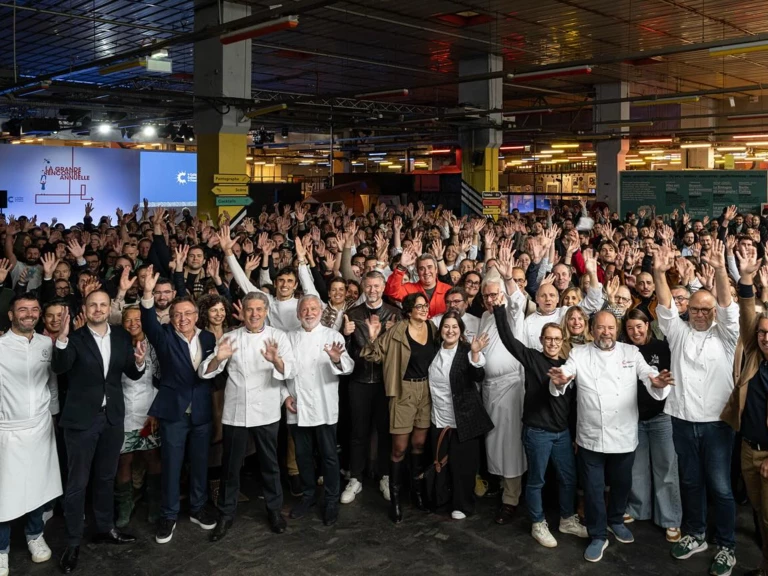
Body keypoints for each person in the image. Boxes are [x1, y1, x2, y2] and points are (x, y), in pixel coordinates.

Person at [549, 310, 675, 563]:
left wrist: (657, 383)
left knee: (622, 483)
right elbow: (567, 373)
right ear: (592, 329)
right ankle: (597, 534)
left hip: (624, 432)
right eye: (600, 327)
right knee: (594, 489)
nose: (606, 332)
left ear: (616, 330)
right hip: (591, 435)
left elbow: (647, 373)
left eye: (610, 328)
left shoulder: (630, 353)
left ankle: (616, 519)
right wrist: (561, 380)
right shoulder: (579, 353)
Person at [652, 240, 740, 576]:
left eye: (707, 309)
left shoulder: (727, 334)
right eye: (695, 309)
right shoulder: (678, 331)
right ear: (688, 310)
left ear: (714, 311)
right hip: (682, 420)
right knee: (690, 482)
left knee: (720, 486)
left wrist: (719, 269)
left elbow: (730, 307)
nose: (700, 314)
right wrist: (660, 272)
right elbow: (664, 306)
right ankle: (696, 534)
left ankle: (727, 546)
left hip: (717, 424)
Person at [52, 291, 147, 574]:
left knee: (106, 477)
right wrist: (62, 339)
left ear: (109, 309)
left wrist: (140, 361)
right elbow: (60, 366)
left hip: (112, 419)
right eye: (92, 304)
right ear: (85, 308)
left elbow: (131, 372)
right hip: (82, 421)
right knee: (77, 483)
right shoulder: (75, 339)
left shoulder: (119, 337)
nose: (98, 308)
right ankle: (72, 542)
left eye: (103, 304)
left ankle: (104, 528)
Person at [492, 298, 588, 548]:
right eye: (549, 339)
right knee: (536, 480)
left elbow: (575, 403)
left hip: (563, 434)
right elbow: (508, 340)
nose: (553, 343)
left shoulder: (570, 364)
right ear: (542, 341)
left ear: (562, 341)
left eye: (557, 339)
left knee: (568, 478)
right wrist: (499, 309)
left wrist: (576, 434)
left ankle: (567, 519)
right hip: (537, 432)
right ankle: (537, 523)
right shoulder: (533, 358)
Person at [199, 292, 295, 540]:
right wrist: (218, 358)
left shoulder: (278, 337)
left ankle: (274, 511)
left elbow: (290, 371)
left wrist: (277, 361)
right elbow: (205, 372)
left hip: (267, 411)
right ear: (242, 312)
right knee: (230, 468)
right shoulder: (231, 337)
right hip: (236, 412)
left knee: (270, 465)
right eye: (249, 309)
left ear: (265, 311)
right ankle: (226, 514)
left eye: (259, 309)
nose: (254, 314)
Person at [140, 267, 219, 545]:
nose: (182, 319)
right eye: (177, 315)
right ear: (170, 318)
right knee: (171, 465)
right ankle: (169, 514)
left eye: (188, 314)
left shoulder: (208, 339)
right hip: (173, 411)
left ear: (197, 316)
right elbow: (148, 323)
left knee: (199, 464)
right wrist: (148, 293)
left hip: (201, 412)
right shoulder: (163, 336)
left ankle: (198, 508)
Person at [361, 292, 439, 523]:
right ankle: (395, 501)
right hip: (403, 391)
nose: (424, 309)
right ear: (408, 310)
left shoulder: (433, 328)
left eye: (426, 306)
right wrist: (373, 337)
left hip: (427, 390)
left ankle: (417, 494)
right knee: (399, 448)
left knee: (419, 445)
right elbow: (372, 356)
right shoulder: (397, 331)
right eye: (420, 306)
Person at [0, 294, 62, 575]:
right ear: (11, 315)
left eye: (34, 309)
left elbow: (51, 383)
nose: (29, 314)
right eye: (22, 309)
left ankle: (35, 535)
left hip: (40, 427)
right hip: (7, 430)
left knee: (38, 487)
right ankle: (1, 549)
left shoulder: (46, 343)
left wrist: (53, 414)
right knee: (4, 494)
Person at [286, 295, 354, 526]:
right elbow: (282, 370)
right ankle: (308, 496)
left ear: (320, 311)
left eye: (313, 308)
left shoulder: (333, 336)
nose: (309, 313)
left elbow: (347, 367)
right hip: (297, 406)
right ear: (298, 314)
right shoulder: (289, 337)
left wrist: (336, 359)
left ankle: (332, 499)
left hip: (324, 406)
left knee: (329, 456)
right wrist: (285, 396)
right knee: (303, 456)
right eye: (304, 309)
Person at [721, 245, 768, 576]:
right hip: (748, 447)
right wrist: (747, 279)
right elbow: (748, 313)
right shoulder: (753, 354)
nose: (766, 337)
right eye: (763, 333)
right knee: (757, 509)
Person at [476, 243, 528, 525]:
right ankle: (501, 487)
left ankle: (511, 499)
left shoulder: (510, 311)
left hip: (510, 387)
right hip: (489, 388)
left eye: (494, 294)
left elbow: (519, 303)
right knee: (494, 442)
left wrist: (509, 279)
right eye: (486, 296)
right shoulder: (485, 317)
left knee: (510, 445)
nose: (490, 300)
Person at [340, 271, 401, 505]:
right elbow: (343, 352)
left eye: (377, 286)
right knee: (358, 432)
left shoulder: (395, 313)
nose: (373, 290)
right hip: (359, 380)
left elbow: (398, 351)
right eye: (369, 286)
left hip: (386, 382)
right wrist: (345, 337)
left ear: (383, 286)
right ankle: (355, 478)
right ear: (363, 287)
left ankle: (385, 475)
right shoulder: (352, 314)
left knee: (385, 431)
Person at [622, 309, 682, 543]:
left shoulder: (662, 348)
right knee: (637, 468)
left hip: (661, 417)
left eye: (639, 326)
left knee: (666, 468)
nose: (635, 331)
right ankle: (639, 509)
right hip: (634, 417)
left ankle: (671, 518)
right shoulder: (624, 350)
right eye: (630, 328)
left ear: (648, 325)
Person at [427, 312, 493, 519]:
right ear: (441, 330)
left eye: (454, 327)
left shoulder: (467, 350)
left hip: (465, 418)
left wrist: (475, 354)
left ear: (461, 331)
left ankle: (462, 505)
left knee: (463, 466)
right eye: (446, 326)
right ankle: (441, 500)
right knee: (441, 463)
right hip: (438, 416)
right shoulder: (434, 351)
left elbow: (478, 375)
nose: (450, 331)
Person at [115, 306, 162, 528]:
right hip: (123, 413)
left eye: (138, 319)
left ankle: (154, 503)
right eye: (128, 320)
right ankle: (125, 506)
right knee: (124, 459)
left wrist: (156, 411)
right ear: (122, 323)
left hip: (147, 413)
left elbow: (161, 380)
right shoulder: (117, 346)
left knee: (151, 455)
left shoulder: (154, 348)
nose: (133, 323)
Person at [384, 247, 452, 318]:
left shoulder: (448, 290)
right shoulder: (409, 288)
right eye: (421, 269)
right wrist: (402, 266)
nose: (426, 272)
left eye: (429, 267)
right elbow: (391, 292)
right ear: (417, 272)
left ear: (436, 269)